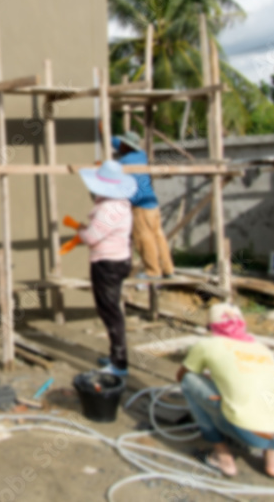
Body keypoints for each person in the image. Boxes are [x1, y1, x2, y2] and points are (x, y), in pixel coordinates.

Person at [177, 303, 274, 478]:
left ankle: (222, 457)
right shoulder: (262, 348)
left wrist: (215, 382)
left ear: (210, 326)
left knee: (191, 381)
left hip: (250, 432)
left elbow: (182, 376)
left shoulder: (207, 344)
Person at [75, 160, 137, 377]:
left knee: (110, 313)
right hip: (119, 260)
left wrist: (82, 232)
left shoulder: (109, 209)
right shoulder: (120, 204)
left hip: (107, 264)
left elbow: (92, 237)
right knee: (112, 310)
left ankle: (119, 363)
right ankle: (115, 357)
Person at [113, 132, 174, 279]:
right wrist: (105, 133)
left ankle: (153, 271)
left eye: (122, 144)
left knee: (143, 238)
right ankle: (168, 269)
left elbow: (111, 173)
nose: (119, 145)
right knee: (158, 236)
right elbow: (118, 144)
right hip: (152, 204)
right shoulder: (141, 155)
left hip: (140, 207)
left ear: (126, 146)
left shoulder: (124, 162)